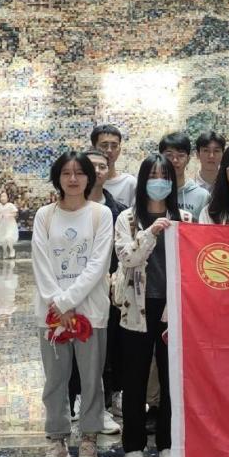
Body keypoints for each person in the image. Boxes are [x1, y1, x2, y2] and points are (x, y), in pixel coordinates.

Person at [31, 151, 113, 457]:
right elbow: (40, 261)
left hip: (90, 311)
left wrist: (68, 301)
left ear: (89, 178)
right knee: (55, 379)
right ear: (58, 178)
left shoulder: (101, 214)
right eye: (66, 173)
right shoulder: (44, 215)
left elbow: (98, 264)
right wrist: (58, 303)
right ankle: (57, 442)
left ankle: (89, 441)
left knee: (92, 379)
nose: (73, 179)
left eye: (80, 173)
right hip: (51, 314)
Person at [112, 153, 186, 457]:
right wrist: (150, 233)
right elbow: (127, 258)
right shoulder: (127, 219)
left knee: (172, 378)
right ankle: (133, 445)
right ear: (143, 180)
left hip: (174, 308)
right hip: (136, 306)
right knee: (135, 376)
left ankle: (168, 443)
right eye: (153, 175)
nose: (159, 182)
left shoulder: (184, 217)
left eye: (165, 176)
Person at [81, 148, 126, 435]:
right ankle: (80, 400)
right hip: (76, 290)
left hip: (109, 290)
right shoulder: (68, 208)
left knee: (109, 349)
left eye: (102, 166)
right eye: (91, 166)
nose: (98, 171)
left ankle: (107, 402)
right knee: (77, 345)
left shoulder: (118, 210)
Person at [158, 132, 210, 217]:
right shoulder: (154, 192)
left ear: (188, 159)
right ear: (160, 158)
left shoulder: (202, 196)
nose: (175, 160)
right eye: (169, 155)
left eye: (181, 155)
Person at [91, 124, 136, 209]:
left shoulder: (129, 183)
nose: (109, 150)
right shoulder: (84, 182)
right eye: (104, 145)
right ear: (93, 148)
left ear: (119, 150)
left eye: (114, 146)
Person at [0, 188, 19, 258]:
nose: (3, 198)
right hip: (1, 225)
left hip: (10, 225)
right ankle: (5, 251)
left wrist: (9, 215)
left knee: (8, 237)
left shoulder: (10, 205)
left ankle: (12, 250)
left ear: (7, 198)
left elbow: (15, 213)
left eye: (4, 196)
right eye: (2, 196)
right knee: (3, 239)